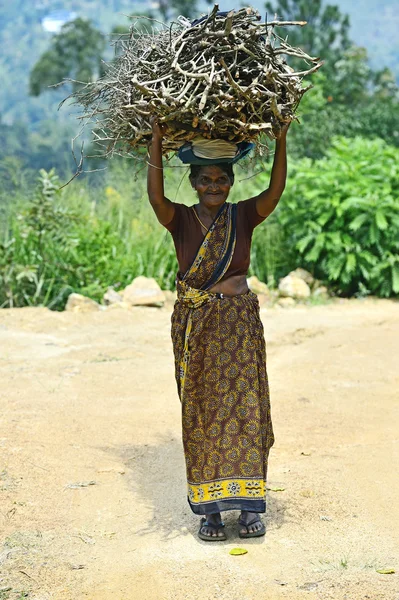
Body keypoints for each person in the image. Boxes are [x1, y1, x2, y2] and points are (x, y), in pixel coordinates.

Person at [147, 119, 289, 541]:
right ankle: (209, 512)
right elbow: (155, 197)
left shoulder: (243, 215)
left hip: (239, 323)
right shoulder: (181, 220)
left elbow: (275, 192)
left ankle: (247, 509)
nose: (214, 186)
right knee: (203, 411)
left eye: (221, 179)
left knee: (246, 407)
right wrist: (155, 140)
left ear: (230, 183)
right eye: (206, 179)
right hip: (200, 327)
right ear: (192, 182)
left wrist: (280, 140)